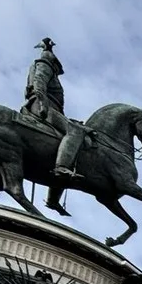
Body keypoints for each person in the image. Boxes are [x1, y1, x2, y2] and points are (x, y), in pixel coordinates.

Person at [24, 37, 88, 180]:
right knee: (75, 131)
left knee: (75, 126)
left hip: (47, 107)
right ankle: (62, 166)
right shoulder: (46, 64)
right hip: (43, 107)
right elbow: (39, 81)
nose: (59, 70)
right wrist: (43, 104)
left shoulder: (44, 66)